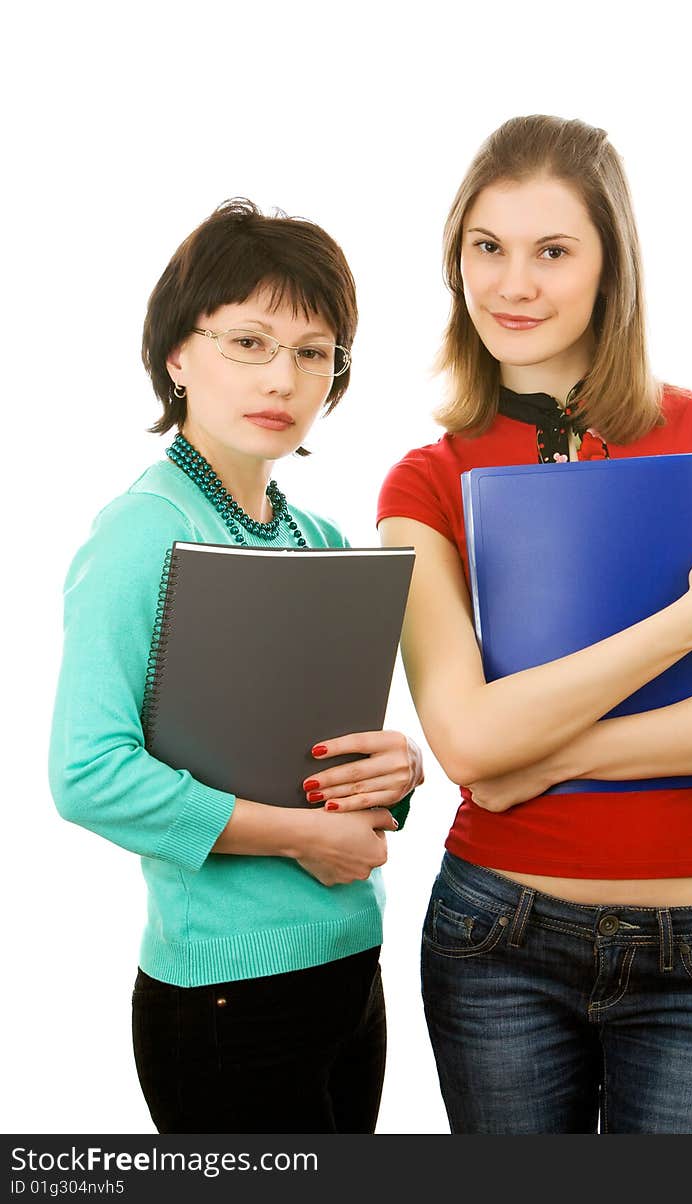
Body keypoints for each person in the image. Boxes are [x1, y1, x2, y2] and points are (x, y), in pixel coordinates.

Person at [371, 116, 692, 1133]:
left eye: (552, 251)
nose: (513, 285)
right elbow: (466, 740)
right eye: (486, 248)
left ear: (608, 267)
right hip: (498, 936)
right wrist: (689, 622)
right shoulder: (426, 480)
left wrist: (542, 758)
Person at [49, 198, 423, 1135]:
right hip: (226, 999)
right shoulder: (147, 531)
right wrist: (296, 836)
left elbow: (332, 768)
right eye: (249, 342)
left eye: (312, 352)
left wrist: (397, 773)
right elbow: (88, 775)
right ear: (179, 354)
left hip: (348, 969)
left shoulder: (321, 536)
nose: (283, 378)